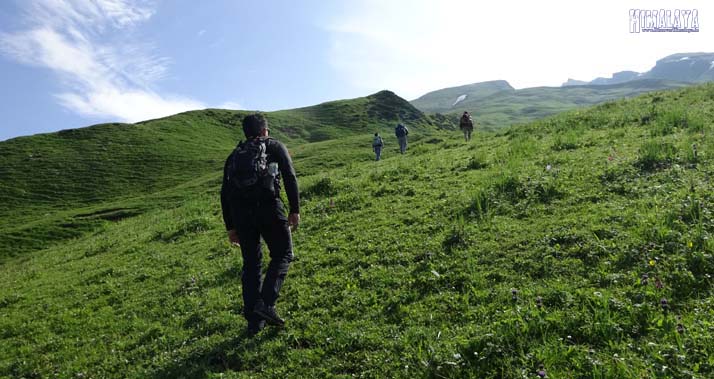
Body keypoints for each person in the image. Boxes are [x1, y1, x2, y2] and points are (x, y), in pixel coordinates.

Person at [220, 113, 300, 335]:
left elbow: (225, 193)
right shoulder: (274, 146)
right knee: (283, 253)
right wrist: (295, 209)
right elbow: (289, 176)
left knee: (252, 264)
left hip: (241, 215)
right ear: (265, 130)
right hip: (268, 207)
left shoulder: (234, 156)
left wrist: (231, 227)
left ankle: (254, 322)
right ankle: (266, 303)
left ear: (246, 133)